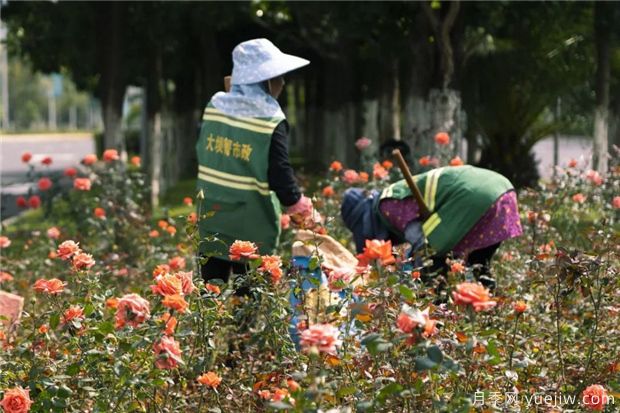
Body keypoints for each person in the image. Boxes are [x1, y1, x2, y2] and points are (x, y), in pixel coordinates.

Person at [196, 38, 316, 285]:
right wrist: (299, 207)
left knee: (210, 294)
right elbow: (280, 173)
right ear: (265, 80)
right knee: (248, 297)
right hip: (250, 220)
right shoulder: (270, 119)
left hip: (212, 213)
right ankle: (243, 326)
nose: (282, 83)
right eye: (278, 77)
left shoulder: (215, 105)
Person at [341, 164, 523, 287]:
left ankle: (436, 320)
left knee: (429, 262)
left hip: (475, 197)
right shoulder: (397, 191)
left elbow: (424, 245)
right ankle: (488, 315)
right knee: (479, 269)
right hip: (502, 189)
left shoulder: (387, 203)